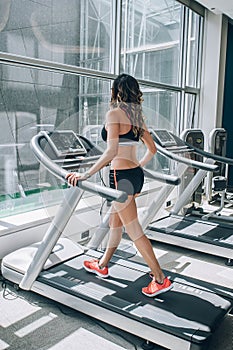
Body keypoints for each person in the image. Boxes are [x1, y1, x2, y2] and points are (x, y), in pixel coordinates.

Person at [66, 73, 173, 297]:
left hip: (121, 178)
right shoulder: (138, 118)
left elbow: (111, 151)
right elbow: (152, 149)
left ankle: (160, 278)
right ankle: (103, 264)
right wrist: (139, 167)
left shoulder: (113, 114)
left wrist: (86, 174)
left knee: (134, 231)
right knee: (115, 224)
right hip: (134, 175)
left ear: (116, 91)